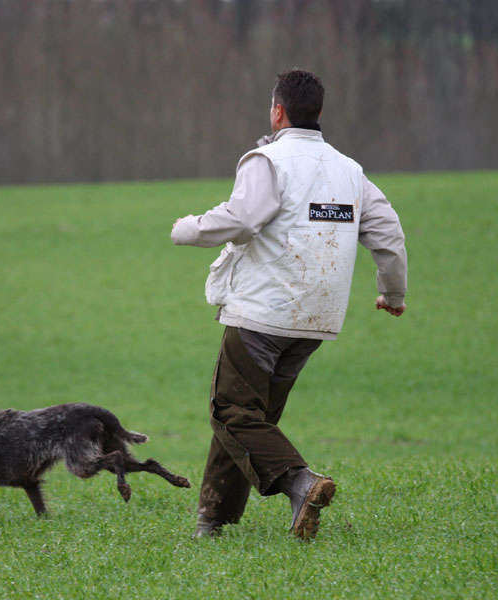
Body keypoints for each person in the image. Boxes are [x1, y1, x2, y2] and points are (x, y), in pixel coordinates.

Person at [171, 69, 407, 540]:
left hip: (264, 311)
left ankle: (301, 482)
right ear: (317, 112)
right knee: (251, 419)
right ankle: (212, 519)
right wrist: (392, 292)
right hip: (316, 318)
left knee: (231, 412)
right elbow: (388, 234)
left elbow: (242, 218)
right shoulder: (349, 170)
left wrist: (188, 229)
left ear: (278, 111)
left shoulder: (269, 160)